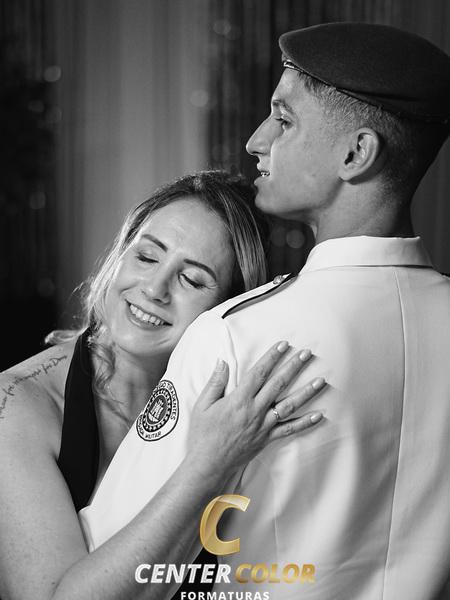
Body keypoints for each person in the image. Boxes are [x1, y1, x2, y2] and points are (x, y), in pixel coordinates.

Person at [79, 23, 450, 600]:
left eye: (284, 119)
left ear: (355, 154)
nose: (256, 141)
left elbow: (104, 581)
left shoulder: (236, 337)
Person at [0, 170, 327, 600]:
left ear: (225, 309)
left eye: (192, 280)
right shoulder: (16, 406)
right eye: (146, 257)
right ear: (119, 255)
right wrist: (211, 464)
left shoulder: (236, 414)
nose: (155, 288)